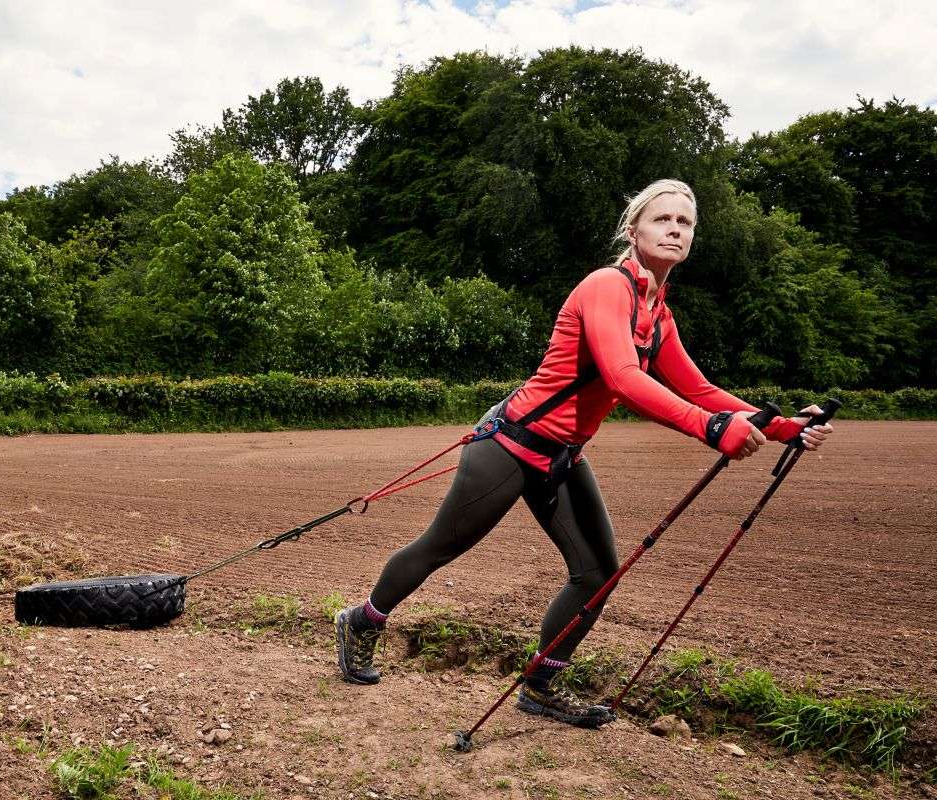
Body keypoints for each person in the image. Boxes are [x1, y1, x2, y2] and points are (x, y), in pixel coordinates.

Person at [334, 179, 834, 728]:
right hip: (510, 444)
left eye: (684, 223)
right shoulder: (606, 287)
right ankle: (364, 620)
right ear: (633, 229)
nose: (674, 229)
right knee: (440, 548)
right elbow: (622, 379)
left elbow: (699, 390)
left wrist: (784, 426)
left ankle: (540, 687)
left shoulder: (659, 316)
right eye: (662, 219)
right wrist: (713, 430)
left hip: (564, 455)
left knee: (597, 573)